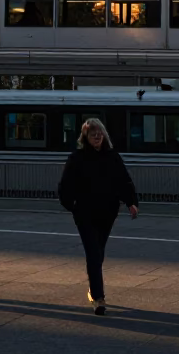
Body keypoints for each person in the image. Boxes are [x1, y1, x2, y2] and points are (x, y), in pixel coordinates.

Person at [58, 118, 138, 316]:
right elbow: (64, 186)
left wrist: (131, 202)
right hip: (84, 214)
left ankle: (93, 289)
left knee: (98, 252)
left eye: (99, 133)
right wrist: (72, 205)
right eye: (93, 134)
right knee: (94, 253)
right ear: (85, 137)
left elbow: (123, 180)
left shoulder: (112, 157)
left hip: (107, 212)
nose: (96, 136)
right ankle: (98, 297)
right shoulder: (76, 158)